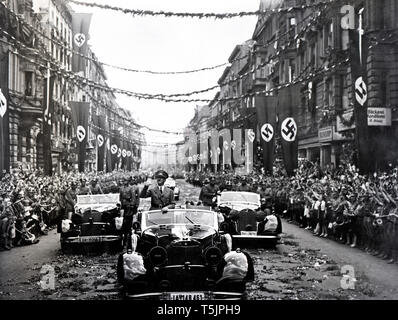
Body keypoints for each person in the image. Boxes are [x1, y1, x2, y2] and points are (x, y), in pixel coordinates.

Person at [120, 177, 140, 247]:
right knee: (122, 223)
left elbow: (134, 197)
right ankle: (123, 239)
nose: (125, 182)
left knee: (128, 223)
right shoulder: (121, 188)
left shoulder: (131, 188)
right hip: (124, 206)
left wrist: (132, 205)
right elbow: (120, 197)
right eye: (124, 181)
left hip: (129, 207)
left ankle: (128, 239)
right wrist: (121, 205)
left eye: (126, 181)